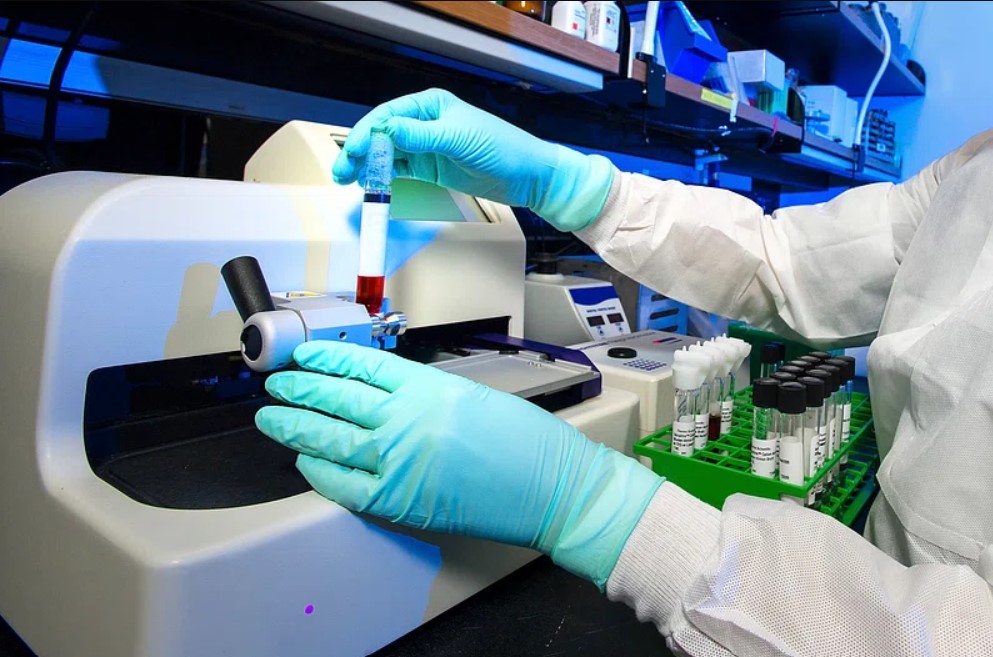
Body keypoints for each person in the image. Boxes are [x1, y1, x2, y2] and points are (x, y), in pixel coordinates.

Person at [255, 88, 993, 655]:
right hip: (865, 551)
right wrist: (576, 188)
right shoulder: (977, 163)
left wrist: (599, 510)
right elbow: (788, 262)